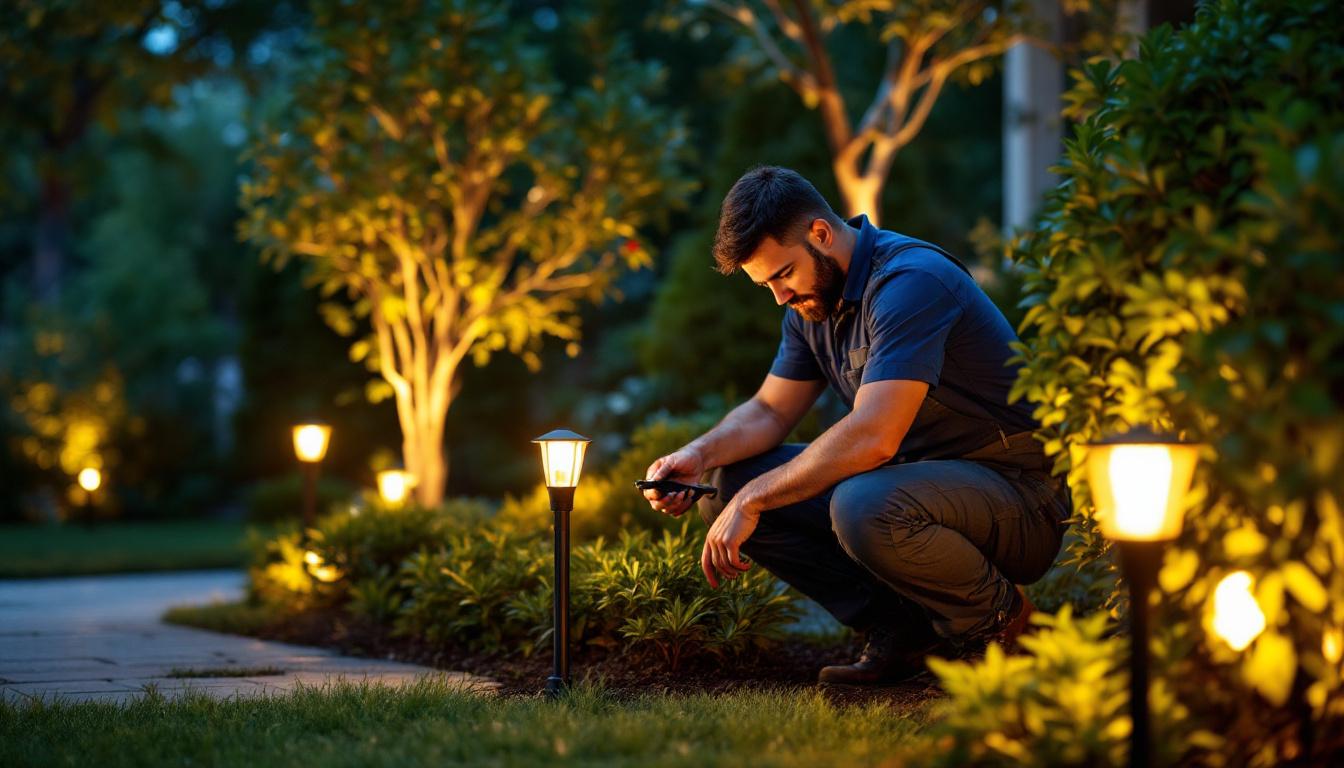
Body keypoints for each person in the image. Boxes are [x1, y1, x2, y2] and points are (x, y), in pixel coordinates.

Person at [642, 166, 1071, 686]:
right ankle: (907, 631)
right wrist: (701, 455)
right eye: (766, 284)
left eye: (783, 274)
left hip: (1020, 497)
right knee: (723, 483)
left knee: (859, 504)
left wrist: (755, 498)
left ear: (820, 234)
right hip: (919, 486)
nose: (779, 296)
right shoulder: (810, 306)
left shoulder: (910, 282)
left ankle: (1004, 627)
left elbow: (873, 436)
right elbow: (771, 411)